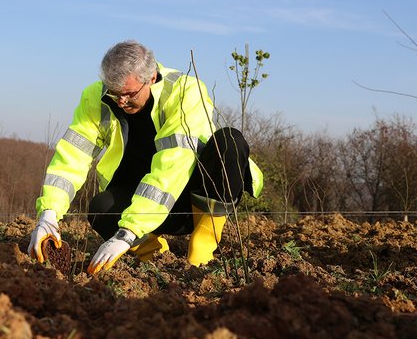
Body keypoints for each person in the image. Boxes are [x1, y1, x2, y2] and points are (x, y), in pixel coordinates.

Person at [27, 40, 263, 275]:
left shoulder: (185, 91)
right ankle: (153, 252)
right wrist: (48, 215)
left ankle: (202, 246)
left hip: (190, 202)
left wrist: (128, 230)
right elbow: (72, 155)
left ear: (150, 78)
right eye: (114, 92)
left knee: (230, 141)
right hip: (141, 200)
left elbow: (173, 166)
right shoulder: (95, 98)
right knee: (101, 208)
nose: (121, 101)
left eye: (128, 94)